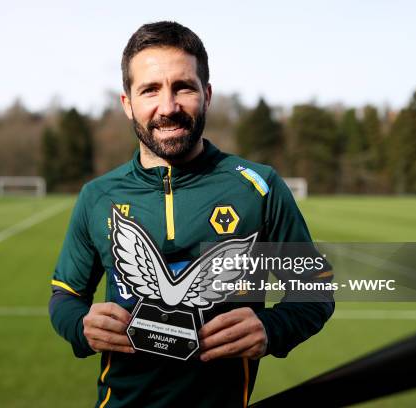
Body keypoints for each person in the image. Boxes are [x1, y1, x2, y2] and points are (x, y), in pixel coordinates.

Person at [49, 21, 334, 408]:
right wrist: (81, 327)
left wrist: (272, 328)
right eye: (150, 90)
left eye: (183, 87)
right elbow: (65, 296)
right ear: (127, 103)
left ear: (208, 94)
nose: (168, 107)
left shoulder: (259, 187)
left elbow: (315, 290)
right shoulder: (97, 196)